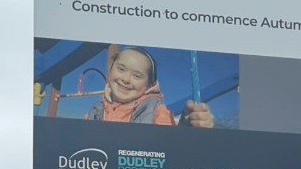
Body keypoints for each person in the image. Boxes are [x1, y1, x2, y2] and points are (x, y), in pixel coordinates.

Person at [86, 45, 214, 127]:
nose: (125, 79)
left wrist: (186, 128)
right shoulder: (97, 109)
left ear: (149, 86)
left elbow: (169, 143)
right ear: (111, 70)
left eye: (137, 76)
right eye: (121, 69)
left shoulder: (156, 111)